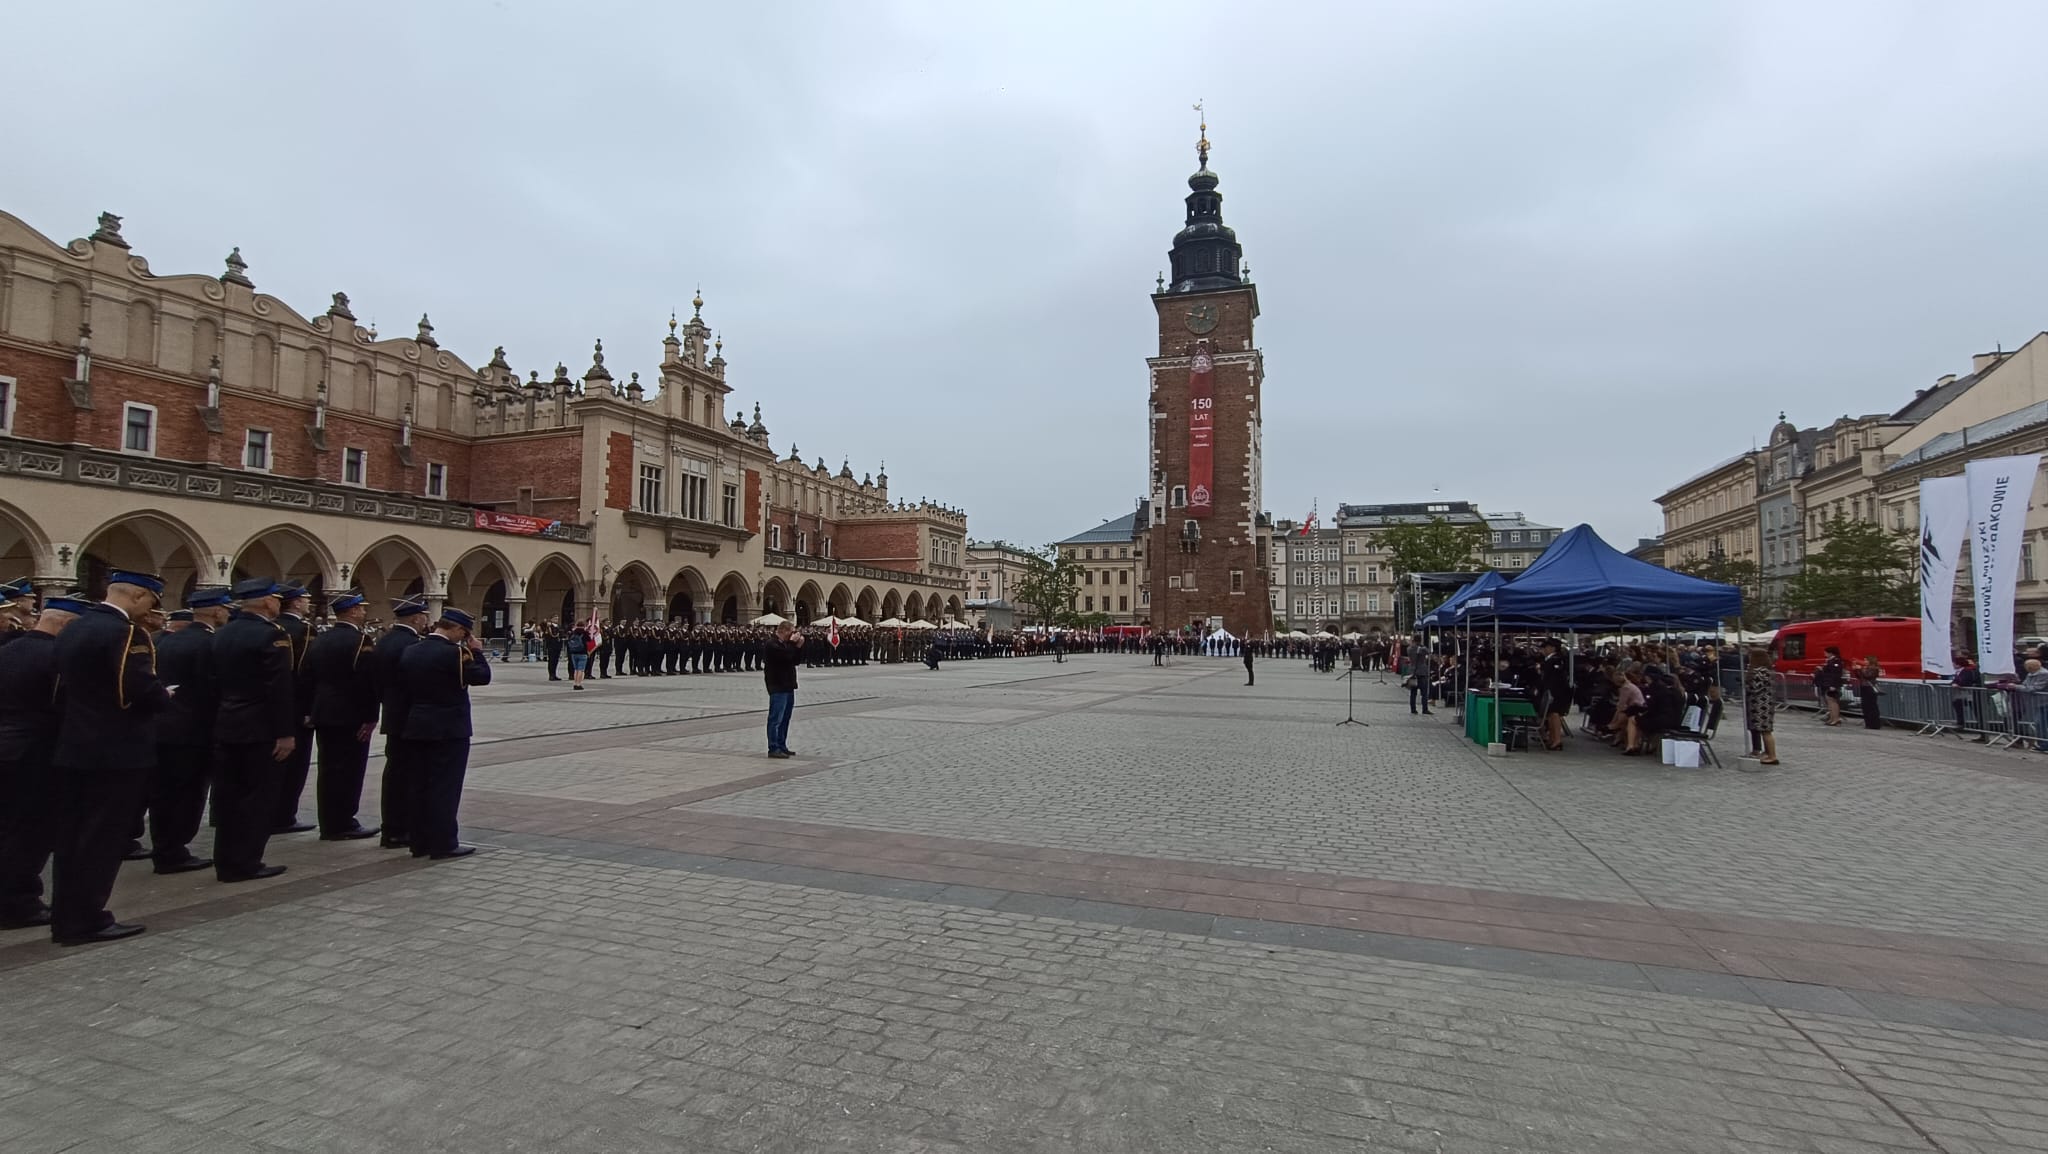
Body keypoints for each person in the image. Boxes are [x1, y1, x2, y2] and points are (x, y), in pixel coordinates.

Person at [48, 572, 173, 944]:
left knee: (72, 837)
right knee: (101, 840)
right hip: (117, 749)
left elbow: (60, 686)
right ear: (136, 595)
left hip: (75, 745)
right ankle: (87, 920)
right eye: (151, 600)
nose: (151, 609)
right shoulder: (127, 632)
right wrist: (164, 697)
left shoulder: (74, 627)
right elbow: (133, 689)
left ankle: (64, 916)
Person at [0, 595, 88, 930]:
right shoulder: (57, 657)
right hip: (37, 752)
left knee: (6, 826)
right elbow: (63, 707)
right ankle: (18, 903)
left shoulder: (8, 649)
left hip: (7, 745)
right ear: (66, 625)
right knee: (31, 832)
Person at [212, 577, 298, 883]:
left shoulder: (223, 633)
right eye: (276, 599)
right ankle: (246, 862)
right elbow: (279, 687)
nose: (278, 604)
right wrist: (285, 732)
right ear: (266, 601)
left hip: (227, 724)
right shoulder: (272, 635)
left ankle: (225, 860)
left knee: (229, 797)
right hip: (260, 727)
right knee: (258, 798)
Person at [146, 586, 231, 874]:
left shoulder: (168, 640)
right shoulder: (210, 644)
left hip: (164, 725)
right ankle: (174, 851)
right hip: (195, 729)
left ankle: (163, 847)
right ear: (216, 610)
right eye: (225, 608)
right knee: (189, 793)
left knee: (164, 792)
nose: (227, 613)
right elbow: (213, 689)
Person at [395, 607, 490, 860]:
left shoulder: (411, 650)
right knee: (445, 787)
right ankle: (443, 842)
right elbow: (481, 677)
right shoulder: (455, 653)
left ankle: (419, 842)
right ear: (456, 629)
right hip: (449, 728)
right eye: (465, 633)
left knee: (419, 785)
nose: (465, 638)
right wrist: (477, 652)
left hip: (417, 725)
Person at [303, 591, 381, 840]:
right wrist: (371, 716)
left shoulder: (321, 638)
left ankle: (328, 822)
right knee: (349, 770)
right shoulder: (360, 640)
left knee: (328, 769)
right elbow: (367, 681)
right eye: (361, 608)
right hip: (351, 713)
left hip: (324, 711)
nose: (364, 612)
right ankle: (343, 822)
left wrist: (310, 709)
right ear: (353, 611)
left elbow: (308, 676)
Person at [371, 599, 431, 849]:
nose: (426, 620)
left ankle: (391, 828)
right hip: (411, 717)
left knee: (395, 773)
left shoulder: (385, 641)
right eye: (424, 615)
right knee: (408, 775)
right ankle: (401, 828)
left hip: (393, 715)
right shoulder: (412, 644)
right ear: (416, 618)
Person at [270, 585, 318, 834]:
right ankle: (284, 815)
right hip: (297, 706)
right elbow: (306, 672)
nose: (309, 603)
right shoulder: (303, 630)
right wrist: (310, 708)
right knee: (295, 765)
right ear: (296, 603)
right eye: (306, 599)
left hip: (269, 708)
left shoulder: (272, 626)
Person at [762, 620, 800, 758]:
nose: (792, 635)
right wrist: (792, 644)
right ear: (783, 630)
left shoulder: (785, 644)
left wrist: (798, 647)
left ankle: (781, 745)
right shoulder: (772, 644)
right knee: (776, 718)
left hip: (788, 685)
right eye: (791, 632)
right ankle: (773, 747)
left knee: (785, 718)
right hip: (777, 685)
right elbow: (784, 657)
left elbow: (795, 660)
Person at [1742, 647, 1780, 768]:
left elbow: (1754, 687)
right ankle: (1768, 753)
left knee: (1765, 730)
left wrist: (1746, 683)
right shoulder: (1767, 670)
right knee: (1764, 730)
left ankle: (1772, 756)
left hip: (1761, 705)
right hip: (1763, 704)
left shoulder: (1760, 672)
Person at [1538, 638, 1571, 751]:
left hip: (1556, 691)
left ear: (1552, 648)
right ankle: (1552, 738)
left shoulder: (1556, 660)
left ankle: (1557, 740)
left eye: (1546, 647)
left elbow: (1555, 678)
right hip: (1550, 690)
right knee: (1550, 715)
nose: (1544, 649)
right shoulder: (1549, 660)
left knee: (1555, 714)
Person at [1814, 646, 1846, 726]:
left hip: (1833, 684)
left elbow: (1835, 674)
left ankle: (1836, 719)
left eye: (1826, 652)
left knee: (1833, 701)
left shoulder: (1836, 661)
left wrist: (1833, 685)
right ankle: (1832, 718)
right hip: (1828, 683)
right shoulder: (1830, 661)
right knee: (1829, 701)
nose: (1825, 654)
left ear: (1831, 653)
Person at [1854, 655, 1885, 731]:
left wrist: (1861, 669)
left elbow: (1868, 676)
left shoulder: (1874, 668)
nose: (1865, 662)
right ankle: (1868, 723)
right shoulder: (1865, 668)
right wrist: (1856, 670)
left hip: (1870, 687)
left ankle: (1874, 724)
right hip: (1864, 686)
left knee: (1872, 705)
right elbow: (1860, 676)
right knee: (1865, 705)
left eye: (1866, 660)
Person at [1404, 640, 1433, 715]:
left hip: (1413, 672)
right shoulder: (1422, 649)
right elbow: (1429, 652)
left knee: (1413, 692)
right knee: (1424, 693)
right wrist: (1422, 646)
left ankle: (1413, 709)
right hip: (1421, 673)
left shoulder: (1409, 649)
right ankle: (1425, 709)